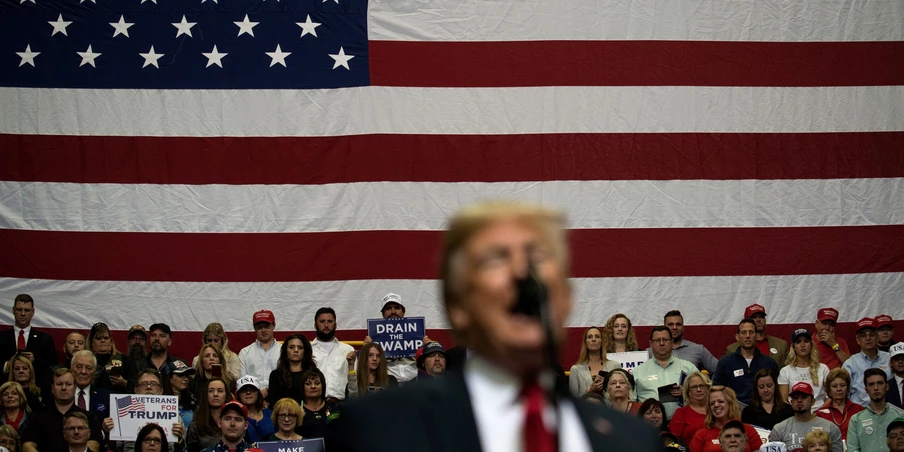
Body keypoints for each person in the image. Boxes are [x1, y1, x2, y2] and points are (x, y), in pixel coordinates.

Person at [326, 201, 660, 452]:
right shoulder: (374, 430)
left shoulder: (632, 441)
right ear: (457, 307)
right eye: (495, 263)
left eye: (535, 263)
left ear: (565, 300)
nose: (520, 281)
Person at [101, 368, 186, 452]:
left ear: (161, 391)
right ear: (136, 390)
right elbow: (115, 449)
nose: (148, 387)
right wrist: (109, 432)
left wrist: (179, 440)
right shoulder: (121, 414)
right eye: (144, 384)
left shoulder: (175, 417)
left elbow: (182, 450)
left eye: (153, 384)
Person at [20, 368, 103, 452]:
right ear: (52, 388)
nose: (64, 388)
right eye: (59, 384)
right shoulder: (38, 418)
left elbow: (94, 445)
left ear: (74, 388)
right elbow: (27, 446)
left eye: (68, 384)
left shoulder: (89, 417)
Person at [712, 318, 779, 405]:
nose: (747, 336)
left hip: (763, 410)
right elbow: (717, 391)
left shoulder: (769, 363)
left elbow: (777, 392)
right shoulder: (725, 362)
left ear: (757, 336)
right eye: (744, 332)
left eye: (751, 332)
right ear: (737, 337)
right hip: (734, 410)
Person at [633, 326, 696, 418]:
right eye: (658, 340)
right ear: (651, 344)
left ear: (672, 342)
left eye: (665, 340)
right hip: (650, 425)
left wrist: (686, 392)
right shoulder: (637, 372)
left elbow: (703, 393)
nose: (662, 343)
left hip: (684, 423)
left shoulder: (688, 368)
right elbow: (631, 404)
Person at [360, 293, 422, 383]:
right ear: (383, 314)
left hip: (415, 384)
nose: (393, 311)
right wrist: (365, 351)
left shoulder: (416, 333)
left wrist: (425, 349)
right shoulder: (375, 337)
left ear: (403, 312)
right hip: (387, 384)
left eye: (397, 307)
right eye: (388, 308)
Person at [767, 382, 842, 452]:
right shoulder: (779, 429)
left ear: (813, 401)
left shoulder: (830, 428)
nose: (799, 400)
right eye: (796, 398)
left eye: (804, 397)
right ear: (791, 402)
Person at [1, 295, 58, 386]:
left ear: (33, 312)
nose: (23, 314)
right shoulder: (1, 338)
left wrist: (35, 361)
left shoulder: (45, 339)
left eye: (27, 310)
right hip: (5, 390)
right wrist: (7, 365)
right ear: (13, 310)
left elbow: (53, 368)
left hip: (36, 390)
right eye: (19, 310)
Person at [846, 368, 904, 452]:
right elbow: (853, 450)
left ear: (887, 386)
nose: (876, 388)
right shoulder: (856, 420)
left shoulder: (900, 416)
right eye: (871, 384)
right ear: (866, 390)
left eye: (880, 383)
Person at [689, 386, 762, 452]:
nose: (716, 405)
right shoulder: (701, 435)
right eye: (712, 403)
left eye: (720, 401)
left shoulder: (748, 430)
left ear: (730, 404)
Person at [843, 317, 892, 406]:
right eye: (863, 335)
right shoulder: (850, 363)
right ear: (857, 340)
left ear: (877, 338)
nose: (868, 338)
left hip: (886, 409)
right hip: (859, 411)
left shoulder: (889, 359)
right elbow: (844, 392)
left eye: (871, 334)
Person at [778, 329, 830, 411]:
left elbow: (830, 397)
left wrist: (818, 413)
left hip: (820, 413)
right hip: (795, 414)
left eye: (806, 341)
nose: (802, 345)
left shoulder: (823, 369)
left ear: (811, 345)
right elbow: (784, 400)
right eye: (798, 342)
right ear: (794, 347)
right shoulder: (785, 371)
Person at [310, 308, 354, 402]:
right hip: (314, 404)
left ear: (335, 324)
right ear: (315, 325)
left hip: (343, 404)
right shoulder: (308, 350)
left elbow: (355, 380)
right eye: (322, 321)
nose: (326, 325)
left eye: (329, 321)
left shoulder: (347, 350)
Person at [238, 311, 280, 400]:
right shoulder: (245, 352)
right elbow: (243, 381)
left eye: (267, 326)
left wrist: (268, 390)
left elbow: (286, 377)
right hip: (252, 400)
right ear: (254, 328)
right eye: (260, 327)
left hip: (279, 398)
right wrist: (258, 396)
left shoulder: (284, 350)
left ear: (274, 326)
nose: (263, 330)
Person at [814, 367, 863, 441]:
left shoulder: (859, 410)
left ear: (847, 388)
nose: (839, 389)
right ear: (829, 390)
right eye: (834, 386)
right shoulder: (820, 414)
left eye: (842, 385)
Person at [568, 326, 619, 396]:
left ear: (601, 341)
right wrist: (590, 390)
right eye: (590, 337)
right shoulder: (576, 369)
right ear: (585, 342)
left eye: (597, 337)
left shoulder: (614, 366)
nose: (594, 339)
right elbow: (573, 402)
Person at [185, 378, 233, 452]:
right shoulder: (195, 427)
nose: (215, 394)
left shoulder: (236, 424)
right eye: (211, 391)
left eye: (220, 391)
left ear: (226, 395)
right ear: (206, 395)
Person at [266, 334, 314, 406]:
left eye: (300, 348)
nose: (296, 350)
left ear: (305, 351)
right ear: (285, 350)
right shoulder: (276, 375)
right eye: (291, 347)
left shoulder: (313, 374)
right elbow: (273, 402)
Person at [88, 322, 134, 394]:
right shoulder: (86, 360)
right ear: (91, 342)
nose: (103, 341)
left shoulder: (124, 359)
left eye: (106, 338)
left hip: (116, 400)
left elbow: (136, 386)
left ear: (111, 341)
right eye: (98, 338)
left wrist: (124, 383)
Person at [670, 371, 711, 445]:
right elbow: (672, 442)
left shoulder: (717, 410)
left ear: (708, 388)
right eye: (694, 387)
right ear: (688, 391)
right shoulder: (682, 413)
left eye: (702, 386)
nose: (699, 390)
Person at [70, 350, 111, 422]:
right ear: (71, 369)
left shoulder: (107, 397)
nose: (83, 372)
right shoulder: (62, 394)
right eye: (79, 367)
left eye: (88, 368)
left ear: (94, 372)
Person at [234, 375, 274, 443]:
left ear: (258, 393)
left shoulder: (271, 414)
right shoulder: (234, 417)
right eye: (244, 390)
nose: (248, 393)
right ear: (238, 395)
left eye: (252, 389)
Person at [299, 368, 336, 439]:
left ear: (323, 386)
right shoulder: (296, 409)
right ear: (302, 387)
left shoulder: (333, 407)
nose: (313, 386)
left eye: (317, 383)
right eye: (308, 384)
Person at [168, 360, 198, 430]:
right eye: (180, 375)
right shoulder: (161, 399)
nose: (186, 379)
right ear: (169, 378)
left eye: (187, 375)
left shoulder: (192, 399)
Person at [890, 342, 904, 409]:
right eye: (897, 359)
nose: (900, 361)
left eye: (903, 358)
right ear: (891, 363)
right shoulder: (886, 386)